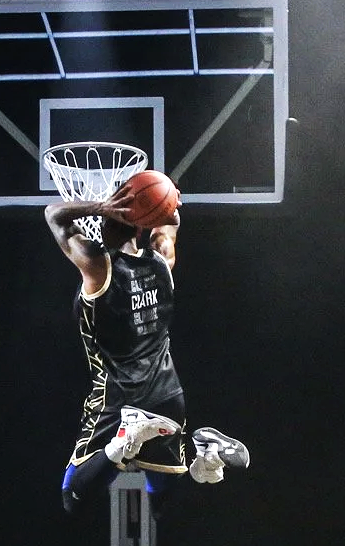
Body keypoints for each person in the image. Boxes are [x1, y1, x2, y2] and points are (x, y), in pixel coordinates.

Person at [44, 184, 249, 516]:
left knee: (73, 497)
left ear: (105, 223)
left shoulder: (98, 265)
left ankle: (123, 442)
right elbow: (172, 221)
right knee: (159, 507)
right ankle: (204, 457)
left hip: (118, 396)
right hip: (167, 394)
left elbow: (53, 215)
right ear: (141, 227)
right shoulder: (162, 258)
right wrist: (166, 198)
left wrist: (101, 206)